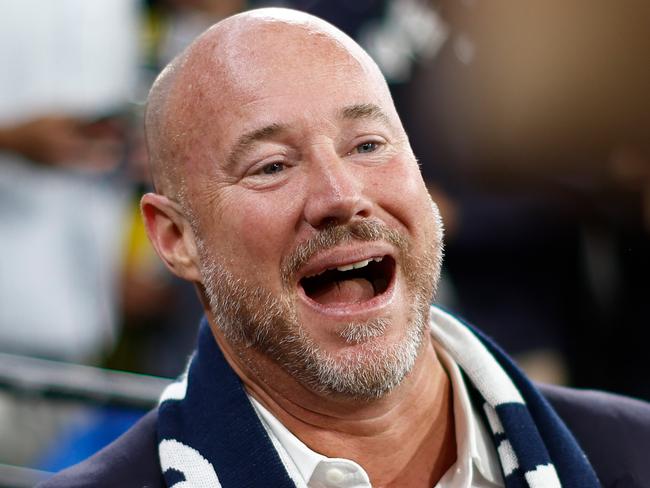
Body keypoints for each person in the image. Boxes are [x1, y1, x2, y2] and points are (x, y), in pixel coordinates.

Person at [39, 8, 650, 488]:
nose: (341, 195)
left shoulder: (635, 453)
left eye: (367, 146)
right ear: (176, 239)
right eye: (272, 165)